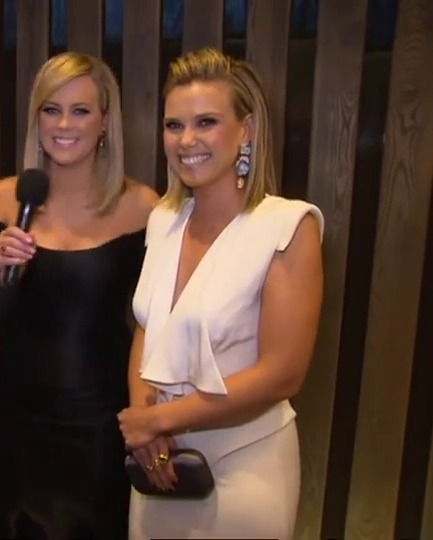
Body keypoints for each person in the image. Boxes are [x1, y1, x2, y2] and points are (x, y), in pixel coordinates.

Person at [118, 47, 324, 539]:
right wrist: (146, 423)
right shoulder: (164, 220)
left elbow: (283, 373)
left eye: (206, 122)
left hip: (246, 469)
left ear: (246, 130)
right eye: (174, 125)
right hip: (161, 464)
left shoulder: (286, 225)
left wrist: (158, 420)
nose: (186, 140)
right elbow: (148, 331)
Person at [0, 52, 158, 539]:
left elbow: (154, 324)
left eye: (80, 110)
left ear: (105, 122)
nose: (63, 124)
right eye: (51, 110)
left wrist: (151, 413)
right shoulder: (5, 198)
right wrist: (3, 273)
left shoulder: (143, 207)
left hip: (99, 416)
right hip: (20, 410)